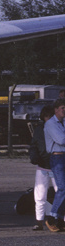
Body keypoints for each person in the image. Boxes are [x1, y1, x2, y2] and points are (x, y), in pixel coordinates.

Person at [30, 106, 59, 230]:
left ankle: (59, 219)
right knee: (40, 195)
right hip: (44, 166)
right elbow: (34, 146)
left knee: (60, 193)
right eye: (47, 116)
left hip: (55, 166)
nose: (48, 119)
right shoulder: (39, 130)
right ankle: (39, 221)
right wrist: (34, 158)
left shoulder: (57, 128)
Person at [43, 99, 65, 231]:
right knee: (62, 187)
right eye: (62, 108)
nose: (64, 110)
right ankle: (51, 217)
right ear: (56, 109)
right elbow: (61, 140)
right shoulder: (51, 124)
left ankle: (59, 218)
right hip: (57, 157)